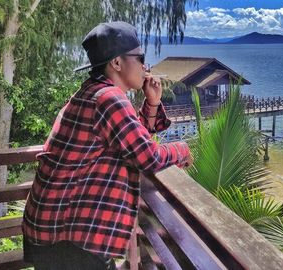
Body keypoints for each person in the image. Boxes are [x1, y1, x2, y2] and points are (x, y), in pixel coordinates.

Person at [22, 21, 192, 270]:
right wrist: (183, 149)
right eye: (140, 57)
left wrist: (152, 104)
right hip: (66, 235)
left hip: (53, 225)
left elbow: (129, 141)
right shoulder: (109, 98)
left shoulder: (94, 91)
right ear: (116, 63)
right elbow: (148, 156)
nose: (145, 65)